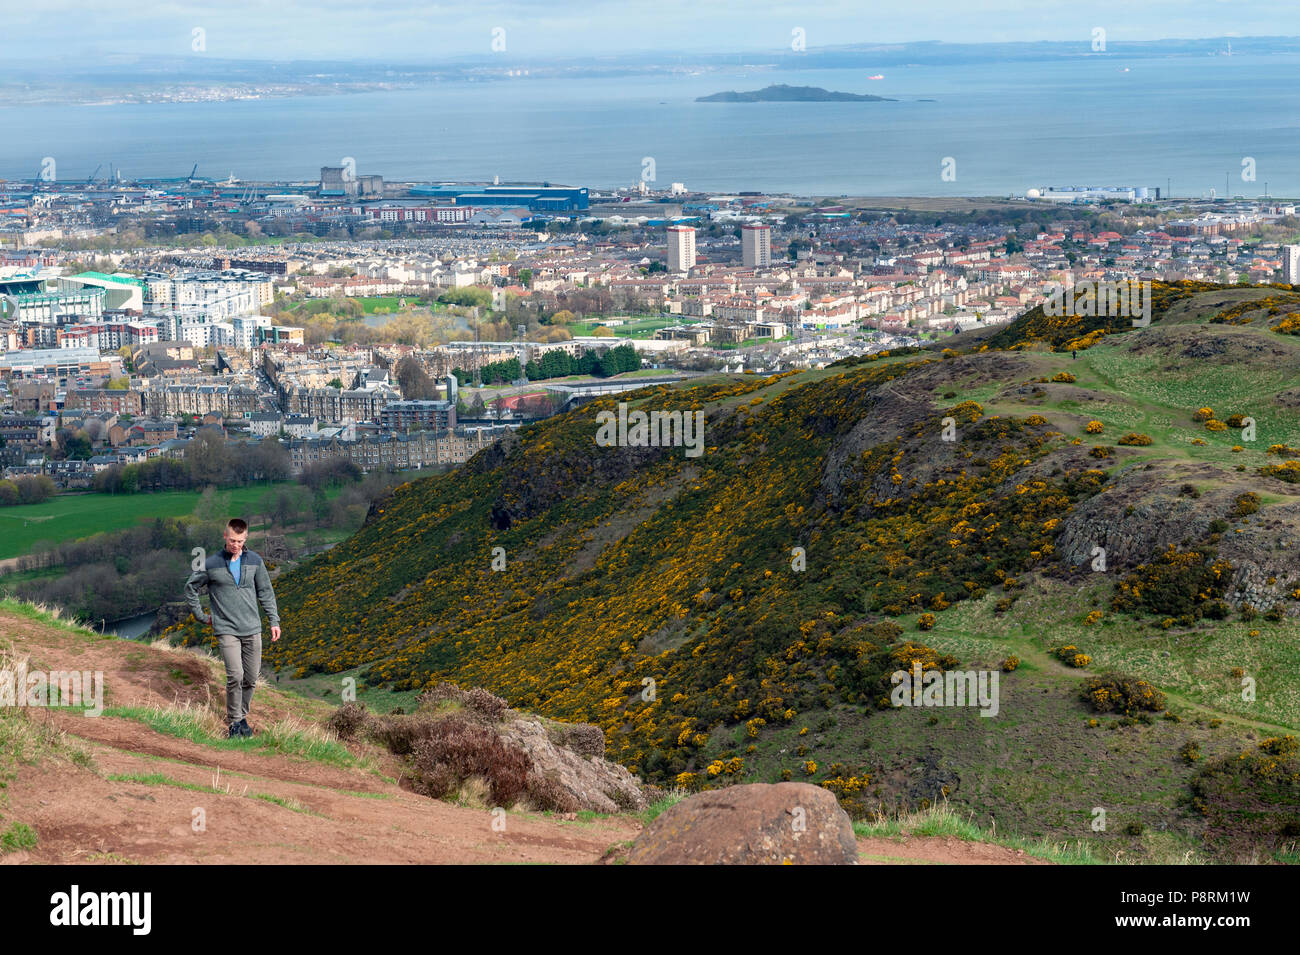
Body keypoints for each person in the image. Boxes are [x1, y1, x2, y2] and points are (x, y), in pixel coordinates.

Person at [184, 518, 282, 739]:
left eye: (240, 541)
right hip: (226, 628)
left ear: (245, 539)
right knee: (235, 676)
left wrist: (273, 621)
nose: (235, 544)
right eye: (232, 540)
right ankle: (235, 722)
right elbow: (190, 587)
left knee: (251, 678)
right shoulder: (210, 564)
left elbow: (265, 592)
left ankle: (241, 715)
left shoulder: (255, 561)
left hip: (252, 628)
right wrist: (202, 616)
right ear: (225, 536)